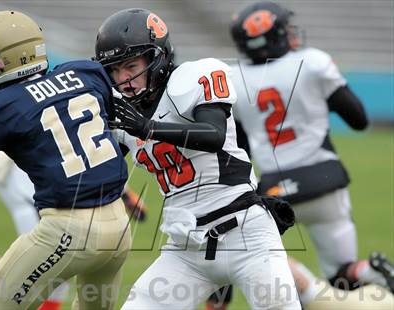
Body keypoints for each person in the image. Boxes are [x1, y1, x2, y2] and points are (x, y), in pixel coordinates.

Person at [95, 8, 301, 309]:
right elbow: (102, 168)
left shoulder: (191, 78)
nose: (123, 79)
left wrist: (149, 128)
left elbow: (213, 134)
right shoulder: (123, 112)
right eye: (114, 70)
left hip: (246, 234)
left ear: (157, 58)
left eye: (130, 66)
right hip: (185, 248)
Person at [205, 2, 393, 309]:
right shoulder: (312, 62)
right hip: (324, 180)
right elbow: (358, 119)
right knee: (342, 278)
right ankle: (368, 271)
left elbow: (240, 149)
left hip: (274, 191)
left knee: (245, 257)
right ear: (276, 35)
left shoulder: (234, 79)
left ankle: (223, 305)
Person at [0, 11, 131, 309]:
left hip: (67, 231)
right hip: (119, 228)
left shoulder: (2, 106)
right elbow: (113, 139)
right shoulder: (86, 73)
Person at [0, 152, 147, 309]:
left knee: (47, 260)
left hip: (32, 173)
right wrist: (124, 191)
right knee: (50, 257)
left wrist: (123, 191)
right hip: (24, 175)